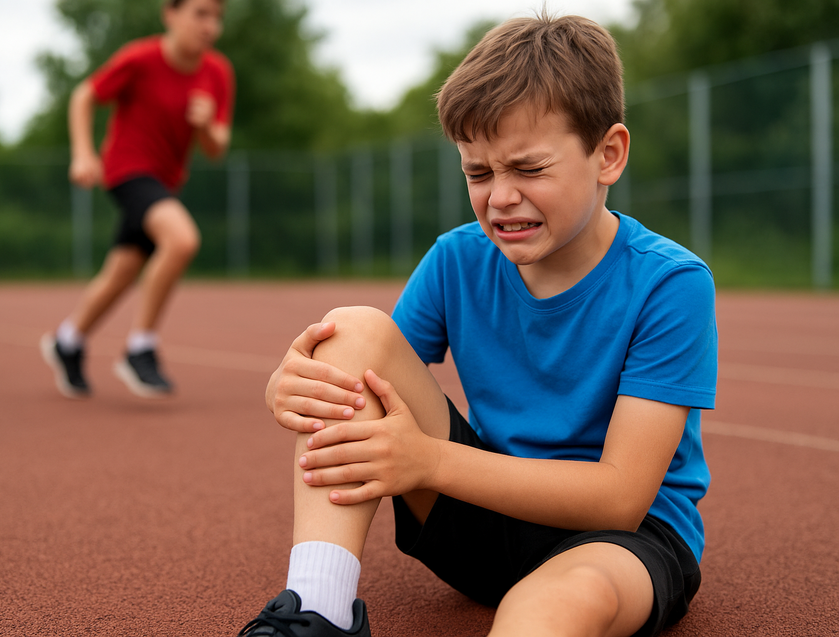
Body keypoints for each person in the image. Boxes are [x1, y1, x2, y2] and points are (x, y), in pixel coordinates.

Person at [237, 14, 717, 637]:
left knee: (548, 610)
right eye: (479, 173)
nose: (501, 197)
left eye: (529, 169)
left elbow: (619, 498)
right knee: (348, 332)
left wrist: (427, 463)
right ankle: (317, 609)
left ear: (608, 154)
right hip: (485, 513)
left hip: (621, 541)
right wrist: (288, 387)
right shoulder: (457, 257)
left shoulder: (669, 282)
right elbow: (369, 375)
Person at [41, 0, 234, 399]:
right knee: (181, 240)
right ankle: (139, 347)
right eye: (201, 13)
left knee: (122, 272)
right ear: (171, 14)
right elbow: (84, 96)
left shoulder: (218, 72)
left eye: (217, 17)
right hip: (127, 171)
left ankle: (68, 341)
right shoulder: (141, 59)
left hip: (165, 183)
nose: (210, 25)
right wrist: (82, 152)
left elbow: (217, 148)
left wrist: (206, 127)